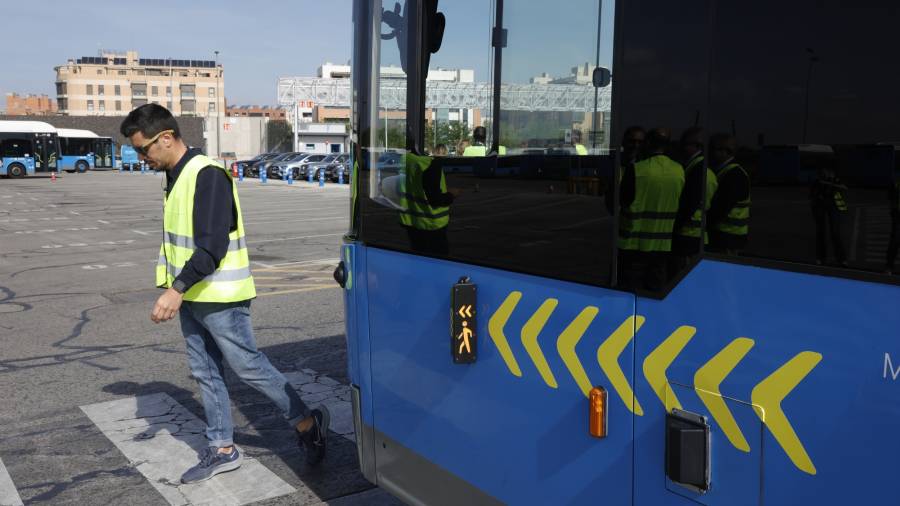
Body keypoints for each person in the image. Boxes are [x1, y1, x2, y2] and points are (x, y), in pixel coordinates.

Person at [119, 104, 330, 484]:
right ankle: (222, 448)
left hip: (219, 294)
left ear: (166, 138)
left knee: (248, 366)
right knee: (205, 371)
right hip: (193, 295)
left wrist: (175, 290)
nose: (141, 158)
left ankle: (306, 421)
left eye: (144, 149)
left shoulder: (207, 176)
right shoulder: (175, 175)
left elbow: (212, 247)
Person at [617, 128, 685, 291]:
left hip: (634, 244)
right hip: (663, 245)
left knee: (629, 290)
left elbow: (621, 200)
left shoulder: (638, 169)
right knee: (656, 290)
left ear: (647, 143)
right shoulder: (679, 170)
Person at [399, 151, 457, 255]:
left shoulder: (403, 160)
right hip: (432, 224)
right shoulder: (430, 164)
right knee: (439, 261)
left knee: (418, 257)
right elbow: (436, 200)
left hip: (411, 222)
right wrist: (452, 194)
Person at [673, 127, 717, 262]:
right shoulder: (702, 169)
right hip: (697, 235)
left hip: (689, 236)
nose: (681, 147)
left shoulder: (697, 172)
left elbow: (688, 206)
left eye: (685, 144)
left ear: (698, 146)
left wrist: (674, 229)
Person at [707, 134, 750, 255]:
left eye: (712, 149)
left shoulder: (734, 175)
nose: (709, 153)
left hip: (728, 238)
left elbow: (721, 208)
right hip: (727, 236)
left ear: (726, 151)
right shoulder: (727, 172)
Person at [810, 166, 848, 266]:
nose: (826, 174)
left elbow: (844, 188)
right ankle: (821, 258)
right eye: (824, 172)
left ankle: (841, 259)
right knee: (821, 232)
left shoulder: (835, 180)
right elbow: (812, 196)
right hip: (821, 207)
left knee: (835, 233)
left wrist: (830, 183)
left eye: (828, 172)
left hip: (833, 207)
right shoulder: (817, 182)